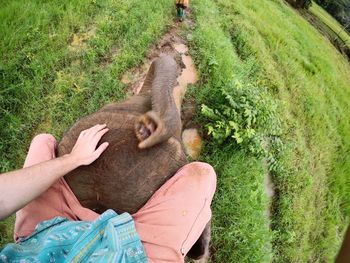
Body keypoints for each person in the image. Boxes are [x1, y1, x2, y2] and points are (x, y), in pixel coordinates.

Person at [0, 124, 216, 262]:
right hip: (135, 254)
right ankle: (198, 249)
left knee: (42, 141)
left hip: (41, 238)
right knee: (201, 174)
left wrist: (73, 159)